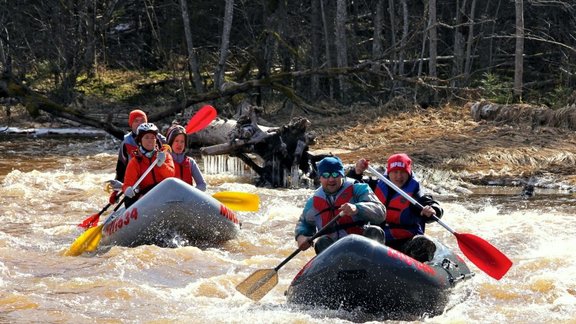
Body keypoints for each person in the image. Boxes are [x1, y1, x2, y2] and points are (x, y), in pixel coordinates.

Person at [347, 154, 443, 262]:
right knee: (371, 232)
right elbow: (350, 186)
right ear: (388, 172)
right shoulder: (375, 185)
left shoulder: (416, 192)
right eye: (395, 172)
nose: (399, 176)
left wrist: (433, 210)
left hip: (405, 242)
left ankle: (414, 272)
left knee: (423, 243)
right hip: (379, 241)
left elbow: (432, 205)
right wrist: (356, 172)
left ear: (408, 173)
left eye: (402, 172)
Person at [294, 156, 386, 255]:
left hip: (361, 247)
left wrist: (357, 208)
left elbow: (381, 212)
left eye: (335, 174)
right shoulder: (313, 201)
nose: (331, 179)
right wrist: (301, 237)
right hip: (334, 252)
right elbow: (304, 223)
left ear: (342, 175)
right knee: (322, 242)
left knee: (375, 231)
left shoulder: (357, 188)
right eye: (325, 175)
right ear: (320, 178)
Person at [109, 109, 166, 204]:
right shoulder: (126, 143)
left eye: (142, 120)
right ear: (131, 124)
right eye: (136, 121)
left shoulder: (158, 139)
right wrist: (115, 191)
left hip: (157, 183)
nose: (140, 123)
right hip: (136, 186)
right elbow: (121, 170)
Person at [121, 123, 175, 208]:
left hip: (164, 192)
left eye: (152, 137)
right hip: (146, 196)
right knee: (129, 199)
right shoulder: (135, 162)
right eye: (146, 137)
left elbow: (171, 175)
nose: (150, 140)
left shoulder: (164, 155)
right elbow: (128, 184)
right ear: (140, 140)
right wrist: (127, 189)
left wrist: (162, 165)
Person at [165, 124, 207, 191]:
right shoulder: (164, 161)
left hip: (188, 198)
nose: (179, 144)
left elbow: (202, 184)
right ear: (170, 142)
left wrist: (191, 193)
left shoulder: (190, 162)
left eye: (182, 141)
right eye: (176, 141)